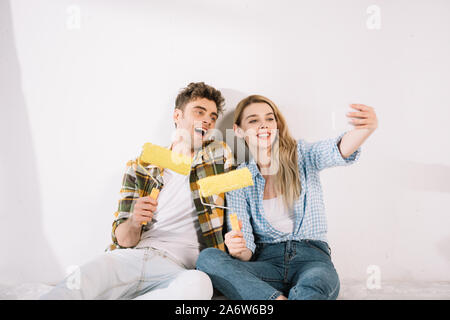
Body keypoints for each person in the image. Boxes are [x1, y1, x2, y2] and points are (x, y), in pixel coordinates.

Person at [41, 82, 235, 300]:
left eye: (212, 116)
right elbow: (123, 239)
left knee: (200, 285)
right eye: (199, 112)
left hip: (180, 269)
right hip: (133, 256)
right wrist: (134, 221)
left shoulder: (217, 157)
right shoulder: (142, 166)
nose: (208, 120)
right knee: (84, 276)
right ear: (177, 116)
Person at [196, 94, 378, 300]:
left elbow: (336, 149)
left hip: (312, 260)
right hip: (267, 265)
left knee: (314, 285)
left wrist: (364, 130)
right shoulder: (238, 181)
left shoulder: (303, 156)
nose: (263, 125)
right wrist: (239, 249)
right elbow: (246, 251)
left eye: (269, 118)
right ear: (238, 130)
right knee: (208, 259)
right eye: (254, 120)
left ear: (277, 125)